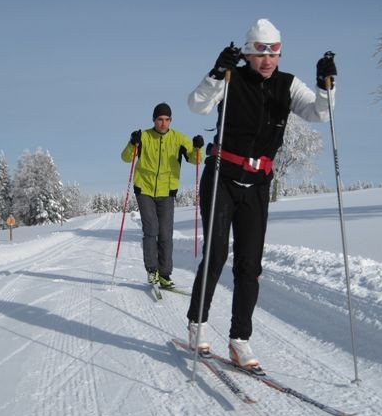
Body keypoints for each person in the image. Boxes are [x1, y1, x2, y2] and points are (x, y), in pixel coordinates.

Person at [185, 18, 337, 368]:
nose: (267, 59)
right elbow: (197, 105)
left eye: (274, 52)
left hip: (257, 183)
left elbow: (320, 114)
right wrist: (215, 72)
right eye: (259, 52)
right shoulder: (230, 78)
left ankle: (240, 340)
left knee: (250, 264)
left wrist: (326, 85)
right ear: (248, 53)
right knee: (216, 253)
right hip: (222, 175)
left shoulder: (287, 84)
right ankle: (198, 323)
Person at [121, 102, 204, 289]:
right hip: (145, 189)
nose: (163, 123)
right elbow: (126, 158)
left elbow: (195, 160)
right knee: (151, 229)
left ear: (171, 120)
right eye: (160, 119)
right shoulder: (144, 137)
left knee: (165, 233)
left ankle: (165, 274)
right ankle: (152, 270)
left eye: (167, 119)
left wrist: (198, 148)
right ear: (154, 120)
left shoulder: (179, 139)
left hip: (167, 192)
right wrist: (131, 142)